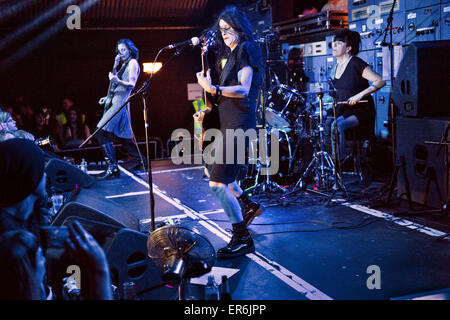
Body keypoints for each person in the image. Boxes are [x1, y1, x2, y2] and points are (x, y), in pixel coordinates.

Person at [0, 139, 113, 300]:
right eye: (40, 169)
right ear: (27, 175)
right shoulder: (13, 247)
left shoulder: (23, 220)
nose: (45, 174)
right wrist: (99, 271)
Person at [195, 6, 264, 259]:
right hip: (229, 124)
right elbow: (223, 97)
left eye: (228, 28)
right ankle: (248, 205)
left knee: (216, 183)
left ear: (239, 26)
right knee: (216, 172)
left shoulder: (247, 48)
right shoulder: (232, 56)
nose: (224, 33)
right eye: (221, 29)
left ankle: (241, 238)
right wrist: (207, 110)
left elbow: (244, 89)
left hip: (239, 124)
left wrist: (212, 87)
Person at [329, 29, 386, 162]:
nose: (334, 46)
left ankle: (338, 162)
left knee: (337, 126)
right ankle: (334, 159)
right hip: (345, 109)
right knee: (326, 123)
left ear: (348, 48)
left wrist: (359, 96)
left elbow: (380, 81)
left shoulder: (356, 63)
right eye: (334, 43)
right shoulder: (334, 68)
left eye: (338, 43)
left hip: (362, 110)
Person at [95, 38, 145, 179]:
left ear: (130, 49)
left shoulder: (133, 63)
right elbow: (116, 86)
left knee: (100, 132)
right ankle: (141, 160)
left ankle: (113, 168)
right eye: (119, 50)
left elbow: (132, 85)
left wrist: (116, 80)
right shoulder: (123, 64)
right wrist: (107, 97)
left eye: (124, 49)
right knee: (123, 136)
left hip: (120, 103)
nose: (121, 52)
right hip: (118, 101)